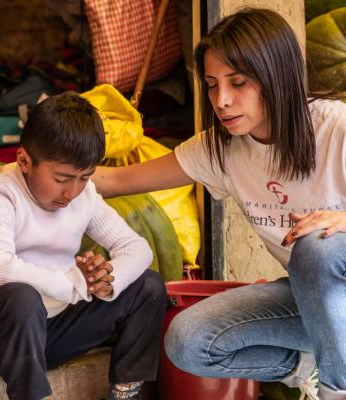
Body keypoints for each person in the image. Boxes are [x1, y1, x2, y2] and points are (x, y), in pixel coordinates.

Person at [91, 8, 346, 400]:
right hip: (317, 305)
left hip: (335, 286)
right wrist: (20, 176)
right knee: (189, 339)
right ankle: (309, 366)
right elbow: (116, 180)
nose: (222, 101)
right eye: (212, 85)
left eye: (238, 82)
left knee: (317, 248)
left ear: (276, 75)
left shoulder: (336, 128)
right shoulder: (221, 150)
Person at [0, 92, 167, 400]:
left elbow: (137, 248)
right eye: (61, 178)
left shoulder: (83, 196)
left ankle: (125, 393)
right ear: (24, 161)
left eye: (84, 177)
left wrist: (104, 280)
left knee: (148, 285)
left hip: (53, 332)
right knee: (21, 296)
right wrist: (71, 284)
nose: (71, 191)